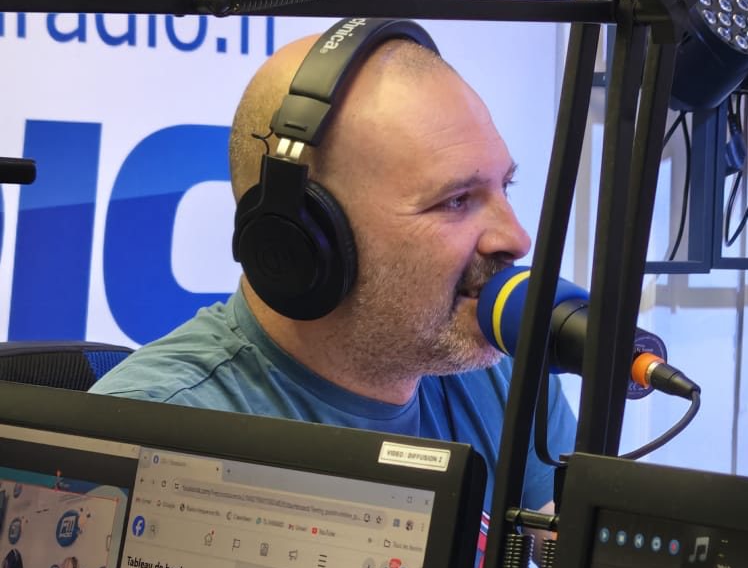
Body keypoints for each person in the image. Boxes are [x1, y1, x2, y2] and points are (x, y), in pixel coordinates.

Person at [92, 26, 574, 507]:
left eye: (505, 187)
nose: (516, 238)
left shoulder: (501, 372)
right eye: (456, 201)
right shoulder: (147, 441)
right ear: (305, 242)